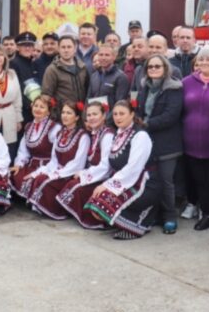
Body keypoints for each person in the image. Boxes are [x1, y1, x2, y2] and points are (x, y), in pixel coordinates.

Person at [84, 100, 161, 240]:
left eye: (122, 114)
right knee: (94, 202)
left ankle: (135, 225)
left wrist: (107, 185)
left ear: (132, 114)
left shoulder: (140, 136)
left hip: (144, 184)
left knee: (102, 201)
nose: (118, 117)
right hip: (125, 180)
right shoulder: (118, 134)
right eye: (115, 114)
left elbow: (134, 168)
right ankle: (121, 222)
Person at [136, 54, 183, 234]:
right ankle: (155, 214)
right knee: (152, 180)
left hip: (167, 143)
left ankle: (170, 216)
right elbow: (139, 109)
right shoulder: (144, 87)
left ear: (165, 69)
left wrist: (147, 124)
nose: (154, 69)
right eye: (150, 67)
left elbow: (171, 115)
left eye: (157, 66)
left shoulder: (174, 88)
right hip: (147, 140)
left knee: (166, 180)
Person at [182, 46, 209, 227]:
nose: (205, 62)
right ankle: (206, 214)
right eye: (202, 59)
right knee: (200, 181)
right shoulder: (186, 82)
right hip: (191, 141)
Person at [22, 100, 90, 219]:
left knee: (45, 181)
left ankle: (57, 210)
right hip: (58, 172)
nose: (65, 116)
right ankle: (41, 206)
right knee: (38, 178)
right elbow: (54, 161)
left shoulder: (83, 136)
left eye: (69, 113)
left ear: (77, 117)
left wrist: (56, 174)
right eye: (63, 112)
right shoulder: (60, 134)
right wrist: (39, 172)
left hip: (70, 174)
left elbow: (78, 164)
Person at [56, 101, 114, 229]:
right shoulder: (95, 133)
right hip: (94, 174)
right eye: (89, 115)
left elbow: (106, 166)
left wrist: (84, 174)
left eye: (95, 114)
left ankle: (94, 219)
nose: (91, 118)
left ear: (104, 116)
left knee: (75, 189)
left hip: (103, 177)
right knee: (70, 185)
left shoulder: (107, 135)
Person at [11, 95, 61, 198]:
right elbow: (23, 151)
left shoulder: (54, 128)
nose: (37, 109)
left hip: (48, 166)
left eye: (42, 107)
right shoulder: (29, 126)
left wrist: (44, 170)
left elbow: (57, 155)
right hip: (31, 165)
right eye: (36, 106)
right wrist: (19, 164)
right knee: (12, 174)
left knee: (35, 181)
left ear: (48, 111)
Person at [41, 36, 89, 105]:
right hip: (62, 113)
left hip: (81, 112)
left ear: (75, 49)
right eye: (63, 47)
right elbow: (46, 96)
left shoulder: (83, 68)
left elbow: (87, 91)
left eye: (69, 47)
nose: (66, 50)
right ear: (58, 49)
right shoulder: (52, 69)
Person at [10, 32, 40, 127]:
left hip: (35, 110)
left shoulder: (34, 63)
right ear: (17, 47)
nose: (27, 48)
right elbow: (14, 90)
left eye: (30, 45)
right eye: (24, 45)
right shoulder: (13, 64)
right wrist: (29, 104)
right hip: (22, 112)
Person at [87, 44, 129, 110]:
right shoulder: (94, 76)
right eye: (101, 55)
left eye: (107, 55)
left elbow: (119, 104)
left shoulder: (121, 77)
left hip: (110, 118)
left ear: (114, 57)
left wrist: (106, 119)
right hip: (94, 117)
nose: (103, 58)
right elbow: (88, 99)